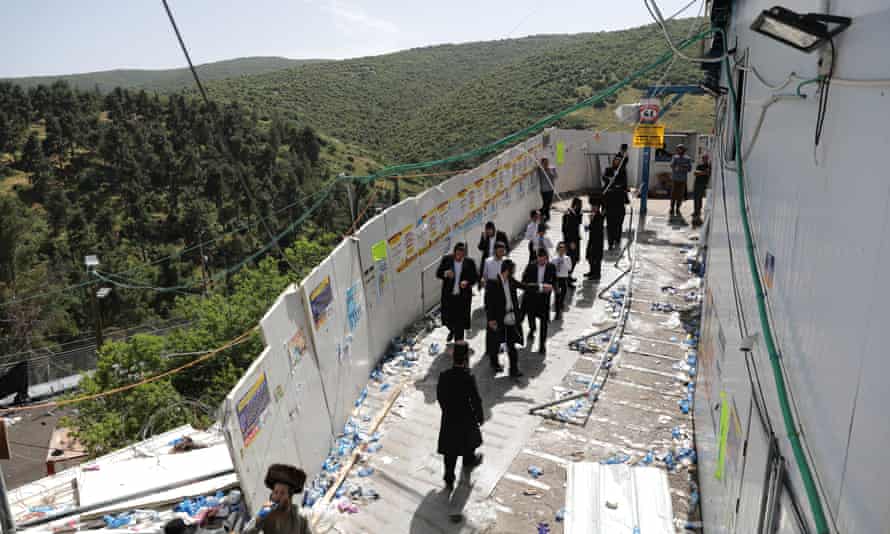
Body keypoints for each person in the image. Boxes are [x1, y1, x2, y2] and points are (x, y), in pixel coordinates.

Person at [436, 341, 484, 491]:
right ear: (465, 359)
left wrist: (447, 409)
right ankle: (468, 461)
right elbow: (475, 399)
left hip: (449, 417)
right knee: (468, 441)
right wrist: (479, 416)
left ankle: (449, 479)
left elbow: (440, 396)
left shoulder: (444, 376)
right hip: (465, 417)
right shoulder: (468, 377)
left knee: (450, 449)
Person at [243, 464, 311, 534]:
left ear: (289, 497)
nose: (278, 496)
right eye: (275, 492)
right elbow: (246, 532)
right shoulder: (266, 513)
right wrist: (259, 518)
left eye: (282, 493)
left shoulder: (300, 518)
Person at [485, 260, 525, 377]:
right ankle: (494, 363)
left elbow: (524, 286)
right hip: (498, 320)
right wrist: (491, 319)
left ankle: (514, 369)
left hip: (510, 318)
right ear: (508, 270)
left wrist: (541, 287)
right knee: (495, 343)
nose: (514, 272)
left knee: (511, 345)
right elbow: (489, 304)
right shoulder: (493, 283)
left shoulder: (511, 281)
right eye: (513, 270)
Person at [436, 243, 478, 342]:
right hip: (449, 297)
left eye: (462, 254)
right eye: (458, 254)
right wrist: (445, 273)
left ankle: (459, 345)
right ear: (454, 253)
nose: (459, 256)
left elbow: (475, 277)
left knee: (460, 323)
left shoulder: (470, 262)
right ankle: (452, 330)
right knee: (446, 320)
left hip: (462, 298)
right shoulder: (447, 260)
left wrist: (467, 282)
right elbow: (438, 274)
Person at [521, 249, 557, 355]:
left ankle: (542, 345)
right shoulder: (531, 266)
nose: (541, 262)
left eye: (543, 260)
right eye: (539, 259)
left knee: (544, 323)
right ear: (537, 258)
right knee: (530, 317)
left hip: (544, 300)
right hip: (531, 298)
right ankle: (532, 329)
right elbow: (524, 282)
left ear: (547, 258)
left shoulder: (551, 267)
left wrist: (554, 288)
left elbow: (554, 280)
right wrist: (538, 287)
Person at [602, 155, 627, 251]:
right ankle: (610, 242)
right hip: (609, 201)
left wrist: (616, 184)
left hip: (619, 201)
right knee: (610, 224)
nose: (616, 162)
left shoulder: (622, 171)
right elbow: (604, 177)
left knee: (618, 223)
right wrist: (610, 179)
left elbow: (624, 184)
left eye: (618, 161)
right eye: (615, 160)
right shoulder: (608, 169)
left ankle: (617, 239)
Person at [478, 222, 509, 288]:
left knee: (500, 278)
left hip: (499, 260)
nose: (488, 233)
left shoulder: (501, 234)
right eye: (487, 231)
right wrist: (484, 239)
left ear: (493, 229)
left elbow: (507, 247)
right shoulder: (485, 236)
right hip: (489, 261)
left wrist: (504, 254)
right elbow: (481, 248)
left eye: (490, 231)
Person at [561, 198, 583, 284]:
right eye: (579, 206)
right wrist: (570, 242)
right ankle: (567, 277)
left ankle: (569, 276)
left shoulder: (576, 213)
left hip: (576, 239)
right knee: (571, 259)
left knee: (575, 259)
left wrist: (578, 214)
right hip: (571, 241)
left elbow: (579, 223)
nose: (580, 207)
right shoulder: (568, 215)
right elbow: (566, 230)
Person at [585, 193, 605, 281]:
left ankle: (596, 274)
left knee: (596, 258)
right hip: (592, 239)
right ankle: (591, 271)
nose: (592, 208)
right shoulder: (594, 215)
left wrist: (591, 221)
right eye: (592, 206)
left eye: (594, 206)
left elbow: (596, 228)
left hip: (597, 241)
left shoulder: (599, 216)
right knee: (590, 256)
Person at [670, 144, 693, 218]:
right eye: (678, 149)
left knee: (680, 195)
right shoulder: (675, 157)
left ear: (683, 150)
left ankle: (678, 208)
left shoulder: (687, 158)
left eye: (681, 149)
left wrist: (681, 167)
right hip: (675, 179)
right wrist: (680, 167)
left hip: (682, 180)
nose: (679, 150)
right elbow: (672, 166)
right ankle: (672, 208)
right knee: (673, 194)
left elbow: (689, 169)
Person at [552, 242, 573, 321]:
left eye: (563, 250)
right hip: (557, 279)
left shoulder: (567, 258)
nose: (561, 251)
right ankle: (557, 313)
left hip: (564, 278)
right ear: (557, 250)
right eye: (560, 250)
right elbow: (552, 269)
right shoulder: (554, 259)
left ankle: (561, 304)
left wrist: (564, 262)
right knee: (557, 295)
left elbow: (569, 268)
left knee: (563, 293)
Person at [692, 153, 711, 226]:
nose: (704, 160)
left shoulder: (708, 166)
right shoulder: (699, 165)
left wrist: (702, 173)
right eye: (703, 158)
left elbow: (708, 173)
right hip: (697, 183)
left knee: (699, 198)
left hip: (702, 185)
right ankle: (695, 211)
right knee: (696, 198)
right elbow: (695, 173)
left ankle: (698, 211)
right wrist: (703, 173)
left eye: (705, 158)